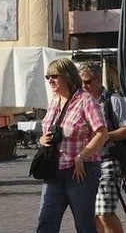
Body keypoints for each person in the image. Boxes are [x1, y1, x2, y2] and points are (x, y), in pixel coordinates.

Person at [36, 58, 109, 233]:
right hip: (54, 169)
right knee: (46, 222)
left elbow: (102, 133)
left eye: (55, 76)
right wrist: (42, 140)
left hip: (81, 171)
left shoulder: (86, 100)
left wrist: (81, 156)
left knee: (84, 226)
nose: (50, 81)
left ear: (68, 77)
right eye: (48, 77)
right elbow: (48, 129)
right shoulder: (54, 100)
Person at [79, 63, 126, 233]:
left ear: (98, 80)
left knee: (104, 212)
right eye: (80, 82)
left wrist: (105, 136)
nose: (84, 86)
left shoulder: (113, 100)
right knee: (94, 214)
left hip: (108, 159)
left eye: (87, 82)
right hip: (87, 163)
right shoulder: (80, 101)